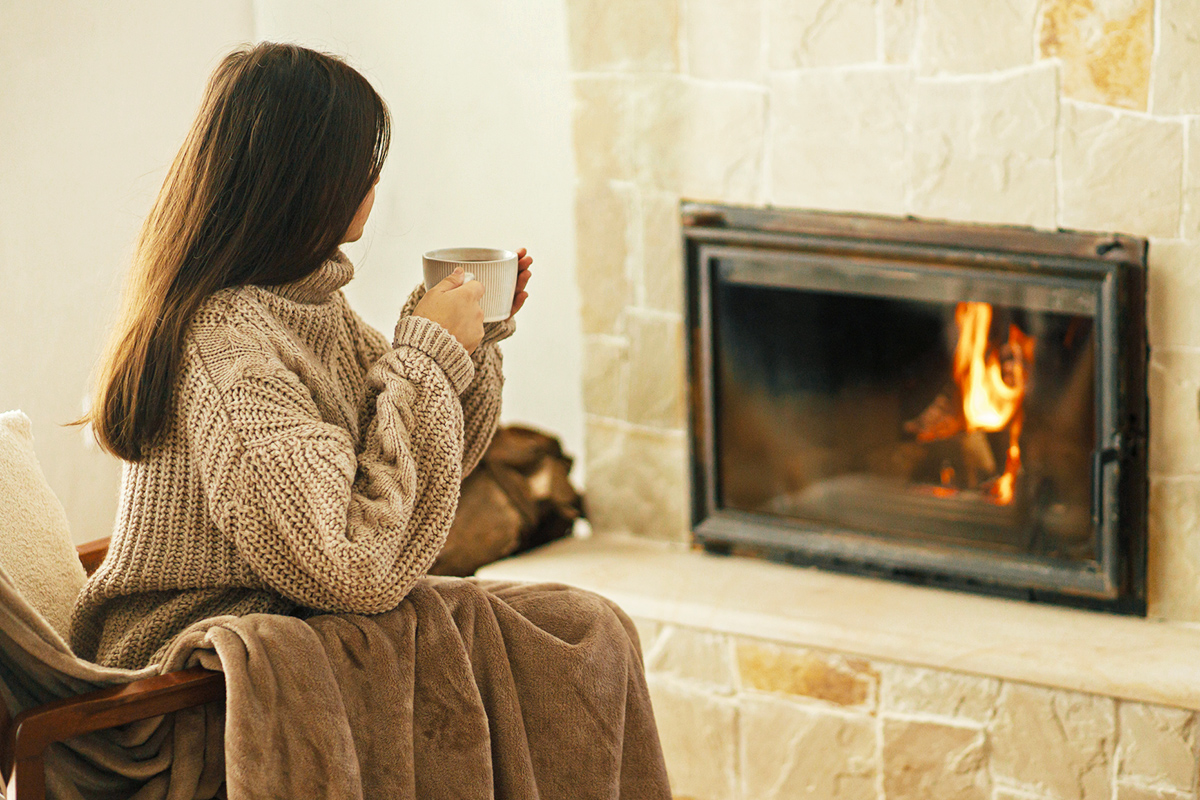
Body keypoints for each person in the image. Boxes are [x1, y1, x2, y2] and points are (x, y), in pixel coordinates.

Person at [69, 42, 532, 670]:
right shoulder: (225, 341)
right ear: (305, 175)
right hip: (194, 673)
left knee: (580, 628)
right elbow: (354, 565)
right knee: (571, 640)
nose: (373, 180)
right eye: (360, 161)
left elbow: (428, 477)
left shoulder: (309, 303)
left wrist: (468, 345)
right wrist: (428, 355)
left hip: (295, 623)